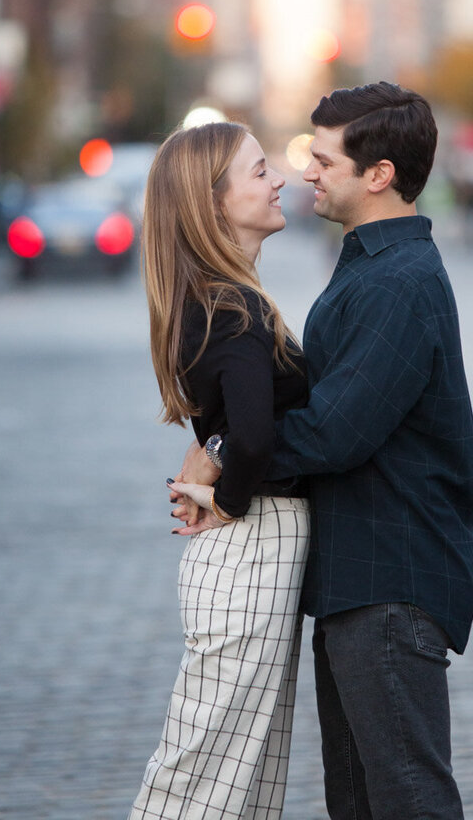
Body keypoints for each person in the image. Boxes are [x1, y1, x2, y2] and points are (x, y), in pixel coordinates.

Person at [176, 82, 473, 820]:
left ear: (378, 175)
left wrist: (223, 467)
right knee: (359, 800)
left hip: (389, 578)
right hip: (358, 578)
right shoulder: (372, 267)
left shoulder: (399, 282)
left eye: (323, 159)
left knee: (405, 797)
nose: (305, 171)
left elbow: (335, 430)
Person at [128, 121, 311, 820]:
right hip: (248, 555)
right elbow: (256, 439)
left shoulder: (216, 298)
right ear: (212, 203)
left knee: (241, 787)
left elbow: (235, 430)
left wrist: (216, 462)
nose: (279, 180)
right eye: (260, 171)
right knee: (198, 786)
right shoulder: (232, 308)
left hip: (248, 561)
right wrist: (229, 498)